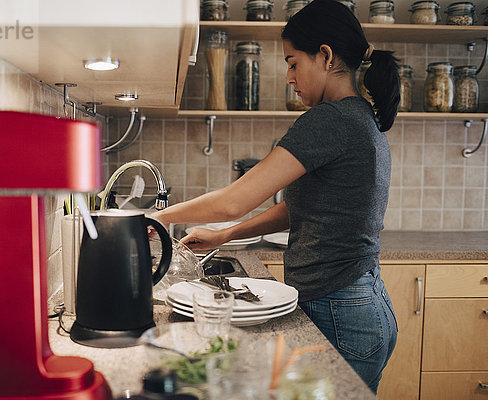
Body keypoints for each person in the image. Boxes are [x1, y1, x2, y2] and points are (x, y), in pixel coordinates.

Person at [152, 0, 398, 393]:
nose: (289, 77)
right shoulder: (360, 118)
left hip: (339, 310)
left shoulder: (330, 120)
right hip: (363, 304)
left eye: (292, 62)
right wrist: (225, 235)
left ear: (326, 56)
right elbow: (300, 208)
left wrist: (160, 217)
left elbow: (236, 199)